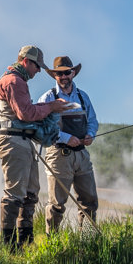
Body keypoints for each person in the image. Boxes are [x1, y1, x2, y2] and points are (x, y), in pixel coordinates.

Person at [0, 45, 73, 249]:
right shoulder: (14, 81)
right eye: (37, 66)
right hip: (13, 141)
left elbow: (25, 112)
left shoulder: (16, 80)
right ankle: (9, 246)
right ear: (26, 61)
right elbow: (25, 114)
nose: (38, 71)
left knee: (30, 193)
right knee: (14, 194)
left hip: (22, 141)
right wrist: (52, 107)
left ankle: (25, 241)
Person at [37, 55, 100, 234]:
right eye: (59, 74)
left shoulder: (82, 96)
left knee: (89, 201)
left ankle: (87, 240)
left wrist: (90, 134)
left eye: (66, 73)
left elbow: (93, 120)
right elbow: (43, 127)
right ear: (54, 76)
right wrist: (65, 138)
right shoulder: (48, 97)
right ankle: (52, 242)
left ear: (73, 73)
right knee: (57, 204)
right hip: (58, 155)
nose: (63, 77)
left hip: (81, 154)